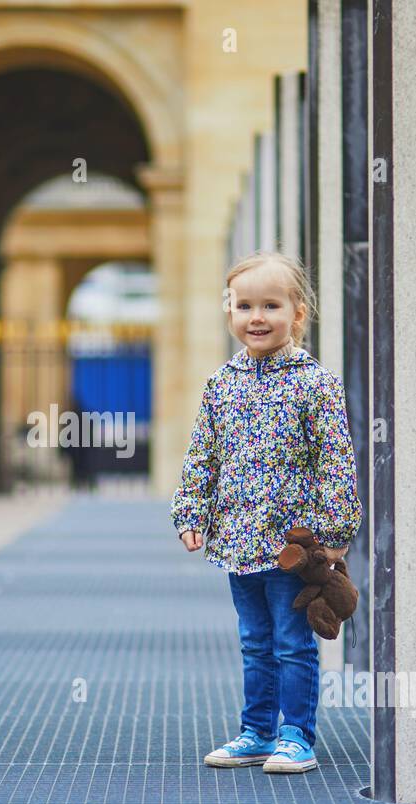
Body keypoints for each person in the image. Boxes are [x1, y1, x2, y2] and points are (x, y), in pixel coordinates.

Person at [170, 249, 363, 773]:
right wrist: (192, 511)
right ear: (229, 311)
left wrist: (335, 531)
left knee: (293, 642)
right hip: (236, 537)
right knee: (255, 641)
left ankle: (296, 734)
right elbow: (202, 453)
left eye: (271, 306)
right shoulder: (221, 384)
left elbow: (335, 458)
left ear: (297, 313)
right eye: (245, 306)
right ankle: (256, 731)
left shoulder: (314, 383)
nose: (257, 317)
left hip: (292, 547)